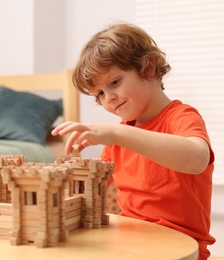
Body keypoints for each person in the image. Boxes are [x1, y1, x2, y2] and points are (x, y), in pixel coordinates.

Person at [52, 22, 215, 259]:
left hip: (179, 246)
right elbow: (89, 191)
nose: (109, 98)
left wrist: (118, 134)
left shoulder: (180, 117)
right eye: (100, 94)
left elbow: (197, 158)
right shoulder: (119, 135)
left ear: (148, 67)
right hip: (128, 242)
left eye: (114, 83)